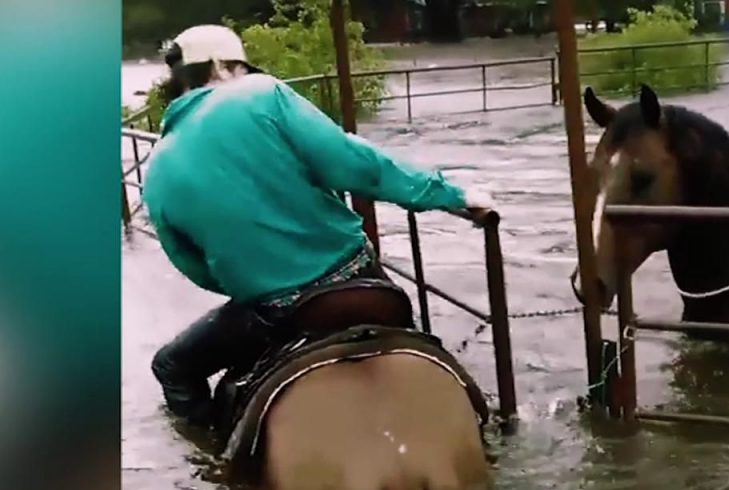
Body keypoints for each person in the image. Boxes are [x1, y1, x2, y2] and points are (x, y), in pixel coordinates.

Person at [142, 25, 493, 427]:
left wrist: (255, 274)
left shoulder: (157, 167)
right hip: (359, 279)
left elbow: (194, 267)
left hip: (272, 314)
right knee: (421, 346)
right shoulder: (261, 93)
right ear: (223, 67)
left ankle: (212, 452)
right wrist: (452, 196)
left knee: (172, 366)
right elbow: (358, 166)